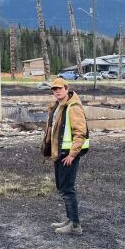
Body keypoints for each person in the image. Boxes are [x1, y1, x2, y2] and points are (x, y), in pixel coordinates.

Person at [42, 77, 89, 235]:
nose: (56, 91)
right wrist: (50, 151)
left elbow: (80, 133)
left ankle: (75, 226)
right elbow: (53, 131)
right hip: (60, 154)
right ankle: (70, 219)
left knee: (67, 189)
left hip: (68, 155)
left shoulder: (72, 107)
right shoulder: (58, 106)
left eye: (59, 89)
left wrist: (72, 154)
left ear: (67, 88)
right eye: (54, 89)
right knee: (62, 188)